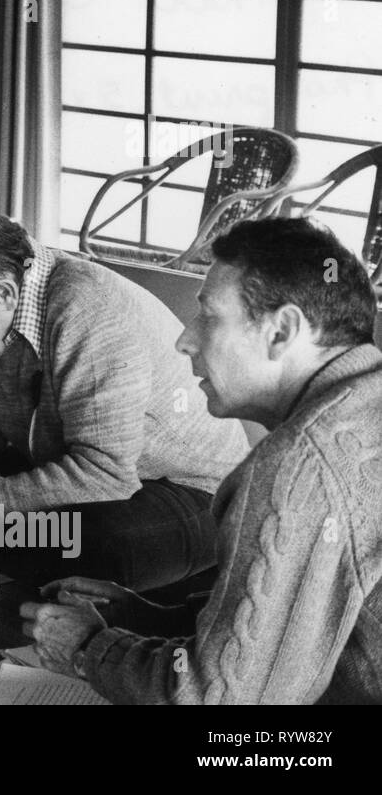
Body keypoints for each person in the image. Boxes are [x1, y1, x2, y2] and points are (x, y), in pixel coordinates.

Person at [21, 217, 382, 703]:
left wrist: (87, 647)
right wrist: (141, 615)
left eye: (208, 316)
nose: (185, 340)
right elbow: (299, 626)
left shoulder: (298, 467)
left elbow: (221, 700)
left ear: (282, 331)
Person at [0, 207, 251, 591]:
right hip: (81, 467)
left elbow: (105, 474)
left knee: (81, 541)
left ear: (3, 294)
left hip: (196, 490)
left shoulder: (87, 309)